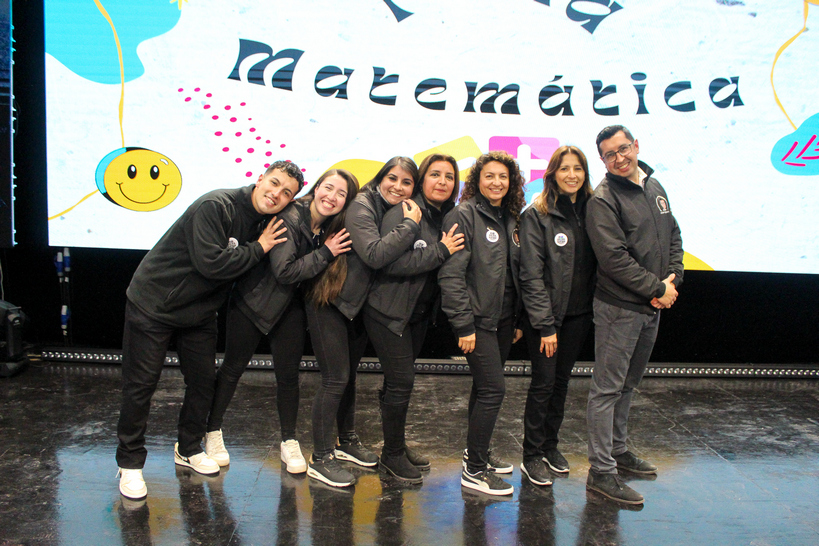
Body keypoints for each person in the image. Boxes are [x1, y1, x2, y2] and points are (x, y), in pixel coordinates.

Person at [115, 161, 303, 500]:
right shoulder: (216, 206)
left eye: (287, 192)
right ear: (260, 178)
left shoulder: (267, 223)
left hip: (199, 312)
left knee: (203, 383)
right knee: (141, 387)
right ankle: (129, 463)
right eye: (274, 183)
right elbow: (211, 263)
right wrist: (259, 247)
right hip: (154, 304)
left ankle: (188, 448)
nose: (277, 194)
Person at [203, 169, 358, 475]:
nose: (332, 197)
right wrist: (326, 253)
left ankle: (289, 440)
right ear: (316, 188)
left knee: (289, 377)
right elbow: (284, 271)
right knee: (232, 369)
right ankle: (212, 432)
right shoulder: (290, 217)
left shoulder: (328, 226)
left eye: (341, 194)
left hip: (289, 309)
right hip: (253, 302)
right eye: (328, 188)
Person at [305, 157, 422, 488]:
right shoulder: (362, 204)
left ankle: (346, 441)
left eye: (406, 182)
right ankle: (321, 458)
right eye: (392, 178)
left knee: (348, 378)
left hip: (354, 306)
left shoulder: (389, 207)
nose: (398, 186)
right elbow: (374, 254)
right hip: (330, 301)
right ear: (380, 178)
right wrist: (410, 226)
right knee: (335, 379)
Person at [585, 125, 683, 504]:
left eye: (623, 148)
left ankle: (618, 450)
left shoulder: (654, 186)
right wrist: (658, 289)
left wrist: (672, 279)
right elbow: (614, 260)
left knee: (628, 384)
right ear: (603, 160)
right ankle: (600, 472)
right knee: (607, 389)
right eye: (610, 154)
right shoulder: (603, 199)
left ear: (636, 145)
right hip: (619, 309)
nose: (619, 158)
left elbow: (673, 236)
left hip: (650, 305)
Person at [364, 154, 465, 483]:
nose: (442, 182)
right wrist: (440, 251)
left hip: (417, 316)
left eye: (449, 176)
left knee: (397, 383)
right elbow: (389, 263)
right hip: (387, 311)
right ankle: (392, 454)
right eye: (435, 174)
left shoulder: (446, 215)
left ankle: (396, 446)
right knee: (402, 382)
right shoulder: (405, 211)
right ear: (422, 179)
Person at [438, 151, 526, 496]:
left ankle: (476, 452)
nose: (496, 182)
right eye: (489, 176)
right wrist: (463, 325)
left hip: (503, 320)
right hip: (476, 321)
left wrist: (516, 319)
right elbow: (451, 275)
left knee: (483, 387)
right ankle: (474, 470)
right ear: (477, 180)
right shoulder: (463, 214)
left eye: (503, 176)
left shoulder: (511, 217)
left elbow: (512, 274)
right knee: (493, 389)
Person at [518, 145, 596, 487]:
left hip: (580, 315)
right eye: (564, 168)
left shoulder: (593, 211)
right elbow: (531, 275)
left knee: (561, 382)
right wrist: (545, 324)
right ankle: (532, 455)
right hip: (546, 319)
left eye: (577, 168)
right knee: (543, 384)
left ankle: (550, 446)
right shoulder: (536, 215)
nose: (571, 175)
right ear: (552, 174)